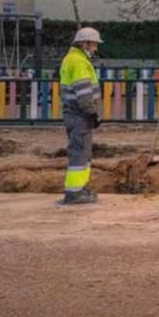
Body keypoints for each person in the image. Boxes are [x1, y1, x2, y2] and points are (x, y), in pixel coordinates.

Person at [57, 27, 103, 206]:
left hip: (76, 114)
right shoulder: (78, 62)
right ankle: (74, 192)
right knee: (79, 154)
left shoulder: (73, 60)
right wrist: (92, 113)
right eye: (93, 44)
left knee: (84, 153)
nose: (95, 49)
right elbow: (83, 94)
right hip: (80, 115)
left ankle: (80, 188)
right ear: (84, 43)